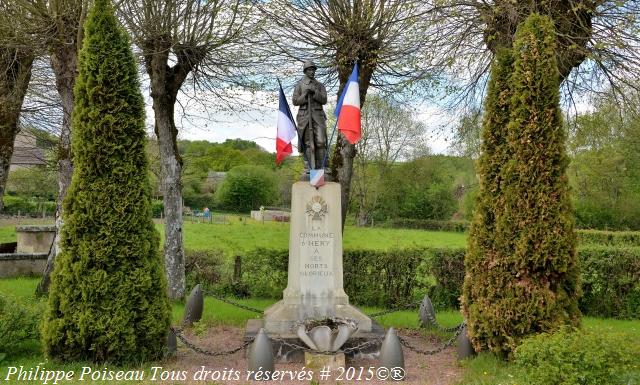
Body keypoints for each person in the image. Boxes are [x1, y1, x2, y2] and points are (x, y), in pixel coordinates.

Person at [292, 60, 328, 171]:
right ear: (305, 71)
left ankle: (322, 165)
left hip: (318, 116)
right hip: (304, 117)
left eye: (313, 69)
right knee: (307, 143)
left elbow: (324, 100)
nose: (312, 72)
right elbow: (295, 101)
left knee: (321, 141)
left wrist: (314, 93)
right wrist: (305, 94)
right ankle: (308, 166)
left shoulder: (320, 85)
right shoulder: (299, 85)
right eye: (309, 70)